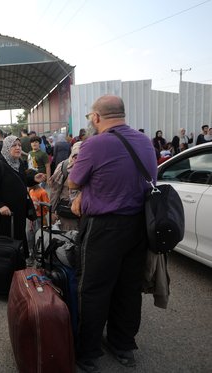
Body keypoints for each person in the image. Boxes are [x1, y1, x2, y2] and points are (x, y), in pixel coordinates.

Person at [69, 95, 156, 372]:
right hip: (138, 225)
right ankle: (123, 346)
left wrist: (83, 192)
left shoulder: (95, 143)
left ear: (96, 117)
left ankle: (88, 353)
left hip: (103, 227)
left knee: (93, 289)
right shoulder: (144, 140)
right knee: (128, 287)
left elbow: (73, 180)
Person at [0, 136, 45, 254]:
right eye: (14, 145)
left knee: (17, 246)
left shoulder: (19, 163)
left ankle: (17, 270)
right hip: (2, 217)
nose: (18, 148)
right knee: (3, 251)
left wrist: (33, 179)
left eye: (19, 145)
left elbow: (20, 181)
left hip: (17, 215)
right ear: (7, 148)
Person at [48, 141, 81, 231]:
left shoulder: (90, 167)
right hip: (67, 214)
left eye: (81, 155)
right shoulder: (63, 167)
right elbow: (55, 191)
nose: (78, 159)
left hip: (85, 213)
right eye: (75, 156)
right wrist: (52, 211)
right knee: (69, 240)